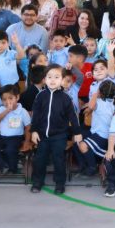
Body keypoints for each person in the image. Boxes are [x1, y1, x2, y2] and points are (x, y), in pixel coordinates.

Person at [30, 65, 82, 195]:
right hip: (42, 135)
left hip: (59, 135)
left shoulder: (66, 98)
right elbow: (35, 115)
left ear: (62, 80)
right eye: (49, 77)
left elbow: (73, 117)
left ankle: (59, 183)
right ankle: (37, 181)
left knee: (59, 160)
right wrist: (34, 131)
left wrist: (77, 132)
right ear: (44, 79)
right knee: (40, 159)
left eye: (56, 77)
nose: (52, 80)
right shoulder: (40, 96)